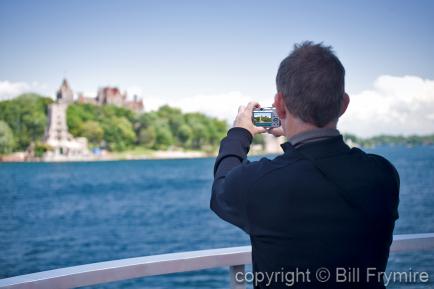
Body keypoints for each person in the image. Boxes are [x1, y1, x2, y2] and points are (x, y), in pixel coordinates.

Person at [210, 41, 399, 289]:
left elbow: (221, 188)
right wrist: (292, 127)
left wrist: (239, 132)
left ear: (279, 104)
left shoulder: (259, 183)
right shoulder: (382, 175)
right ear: (343, 104)